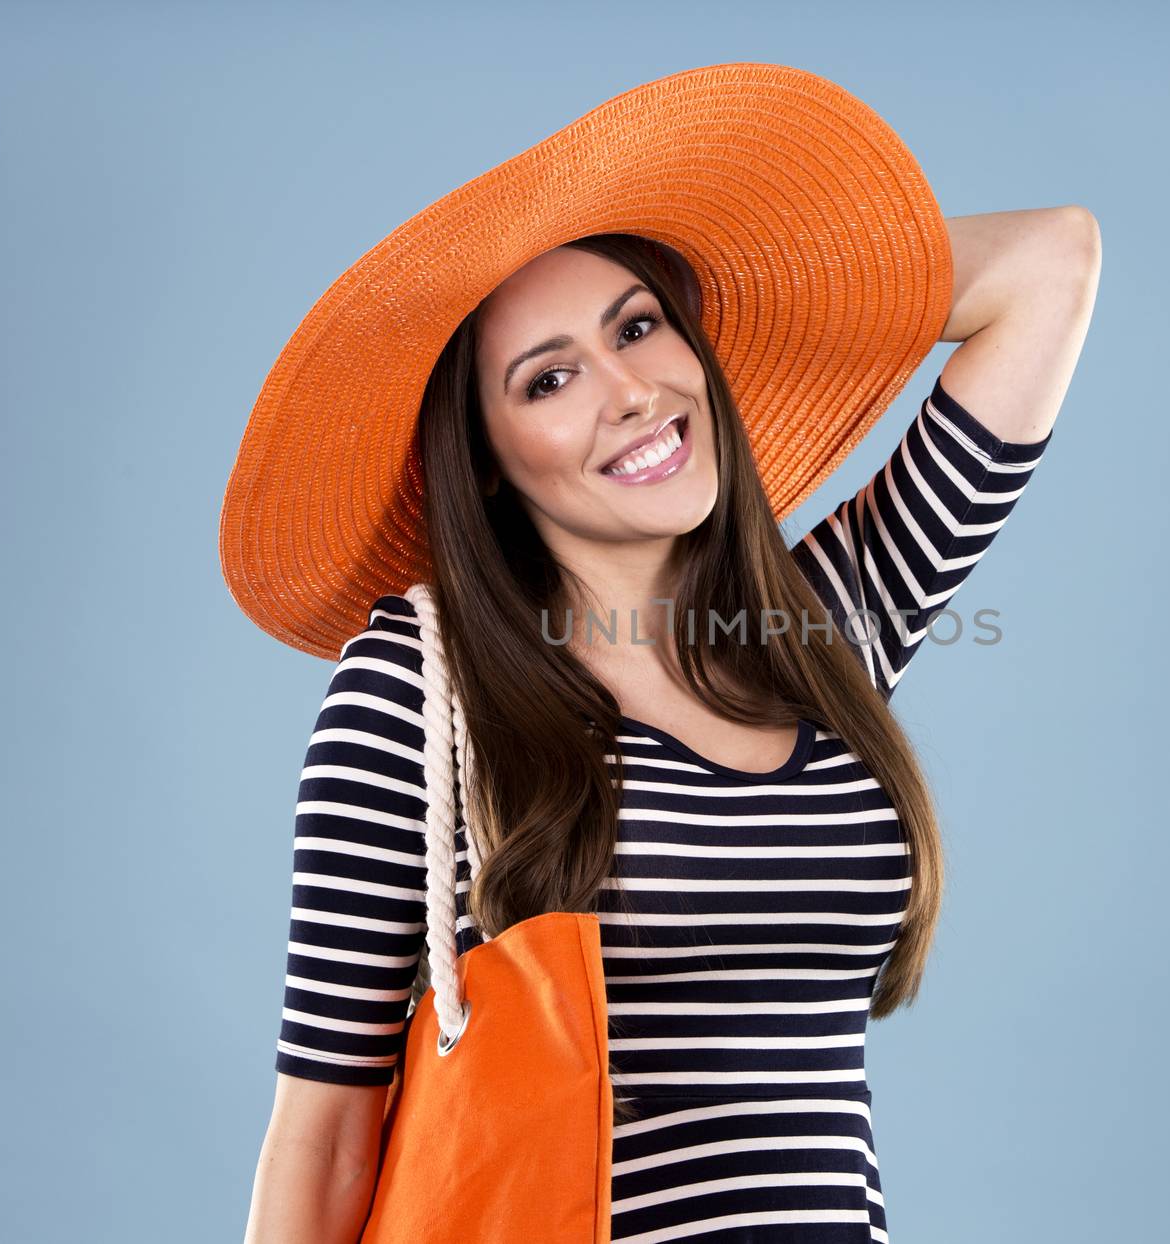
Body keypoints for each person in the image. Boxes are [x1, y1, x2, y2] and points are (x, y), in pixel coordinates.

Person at [233, 64, 1100, 1244]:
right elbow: (325, 1128)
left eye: (639, 327)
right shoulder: (417, 693)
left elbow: (1051, 263)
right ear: (483, 457)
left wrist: (748, 295)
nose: (632, 390)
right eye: (550, 378)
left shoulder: (823, 623)